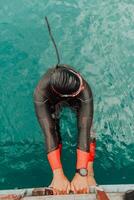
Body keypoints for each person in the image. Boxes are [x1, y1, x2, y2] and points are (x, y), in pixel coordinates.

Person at [33, 64, 96, 195]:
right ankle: (58, 176)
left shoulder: (83, 88)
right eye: (80, 88)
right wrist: (58, 173)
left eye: (81, 82)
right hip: (52, 101)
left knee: (88, 126)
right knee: (53, 129)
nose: (83, 86)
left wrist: (82, 173)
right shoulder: (40, 94)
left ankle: (89, 171)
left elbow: (84, 129)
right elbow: (49, 133)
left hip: (77, 99)